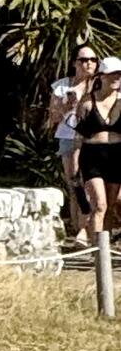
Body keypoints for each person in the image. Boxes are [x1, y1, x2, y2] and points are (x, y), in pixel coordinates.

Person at [50, 46, 101, 240]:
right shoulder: (62, 86)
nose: (89, 63)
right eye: (83, 60)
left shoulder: (101, 84)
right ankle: (80, 228)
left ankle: (87, 229)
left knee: (91, 184)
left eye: (93, 59)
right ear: (74, 63)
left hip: (95, 140)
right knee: (75, 185)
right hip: (69, 137)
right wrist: (67, 105)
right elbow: (53, 117)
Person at [74, 59, 121, 242]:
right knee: (99, 205)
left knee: (110, 205)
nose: (117, 77)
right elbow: (78, 136)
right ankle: (97, 251)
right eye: (113, 74)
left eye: (120, 74)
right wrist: (75, 165)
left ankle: (105, 252)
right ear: (102, 76)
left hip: (117, 154)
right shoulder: (87, 102)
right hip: (92, 155)